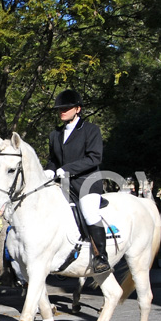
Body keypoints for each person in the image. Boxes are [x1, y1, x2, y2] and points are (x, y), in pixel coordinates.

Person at [44, 89, 111, 274]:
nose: (62, 111)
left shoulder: (91, 130)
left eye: (66, 108)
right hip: (63, 185)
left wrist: (67, 169)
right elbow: (53, 159)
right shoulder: (55, 135)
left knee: (89, 212)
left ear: (78, 109)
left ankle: (101, 257)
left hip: (86, 183)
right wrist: (49, 170)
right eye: (60, 108)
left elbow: (94, 158)